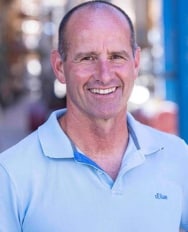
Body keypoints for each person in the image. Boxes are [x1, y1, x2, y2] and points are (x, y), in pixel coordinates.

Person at [0, 1, 188, 231]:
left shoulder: (177, 157)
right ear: (59, 67)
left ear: (136, 62)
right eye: (87, 58)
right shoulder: (10, 174)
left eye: (117, 56)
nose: (104, 75)